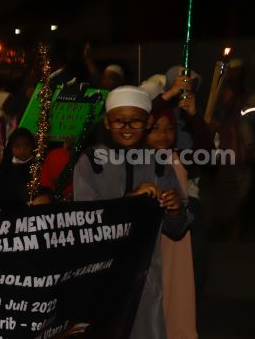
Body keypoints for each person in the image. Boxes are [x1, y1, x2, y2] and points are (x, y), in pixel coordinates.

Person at [73, 86, 193, 339]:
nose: (127, 127)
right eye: (119, 121)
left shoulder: (160, 165)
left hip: (145, 277)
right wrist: (128, 201)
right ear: (107, 122)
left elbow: (177, 229)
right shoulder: (91, 162)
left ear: (148, 122)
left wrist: (174, 210)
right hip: (103, 274)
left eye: (136, 120)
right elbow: (84, 222)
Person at [145, 107, 198, 338]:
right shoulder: (141, 160)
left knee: (174, 284)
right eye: (156, 129)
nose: (163, 135)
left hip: (175, 231)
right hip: (156, 235)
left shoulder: (174, 159)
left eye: (169, 130)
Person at [0, 128, 36, 208]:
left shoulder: (37, 165)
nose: (22, 150)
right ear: (11, 147)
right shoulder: (6, 166)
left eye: (27, 145)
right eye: (17, 146)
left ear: (32, 146)